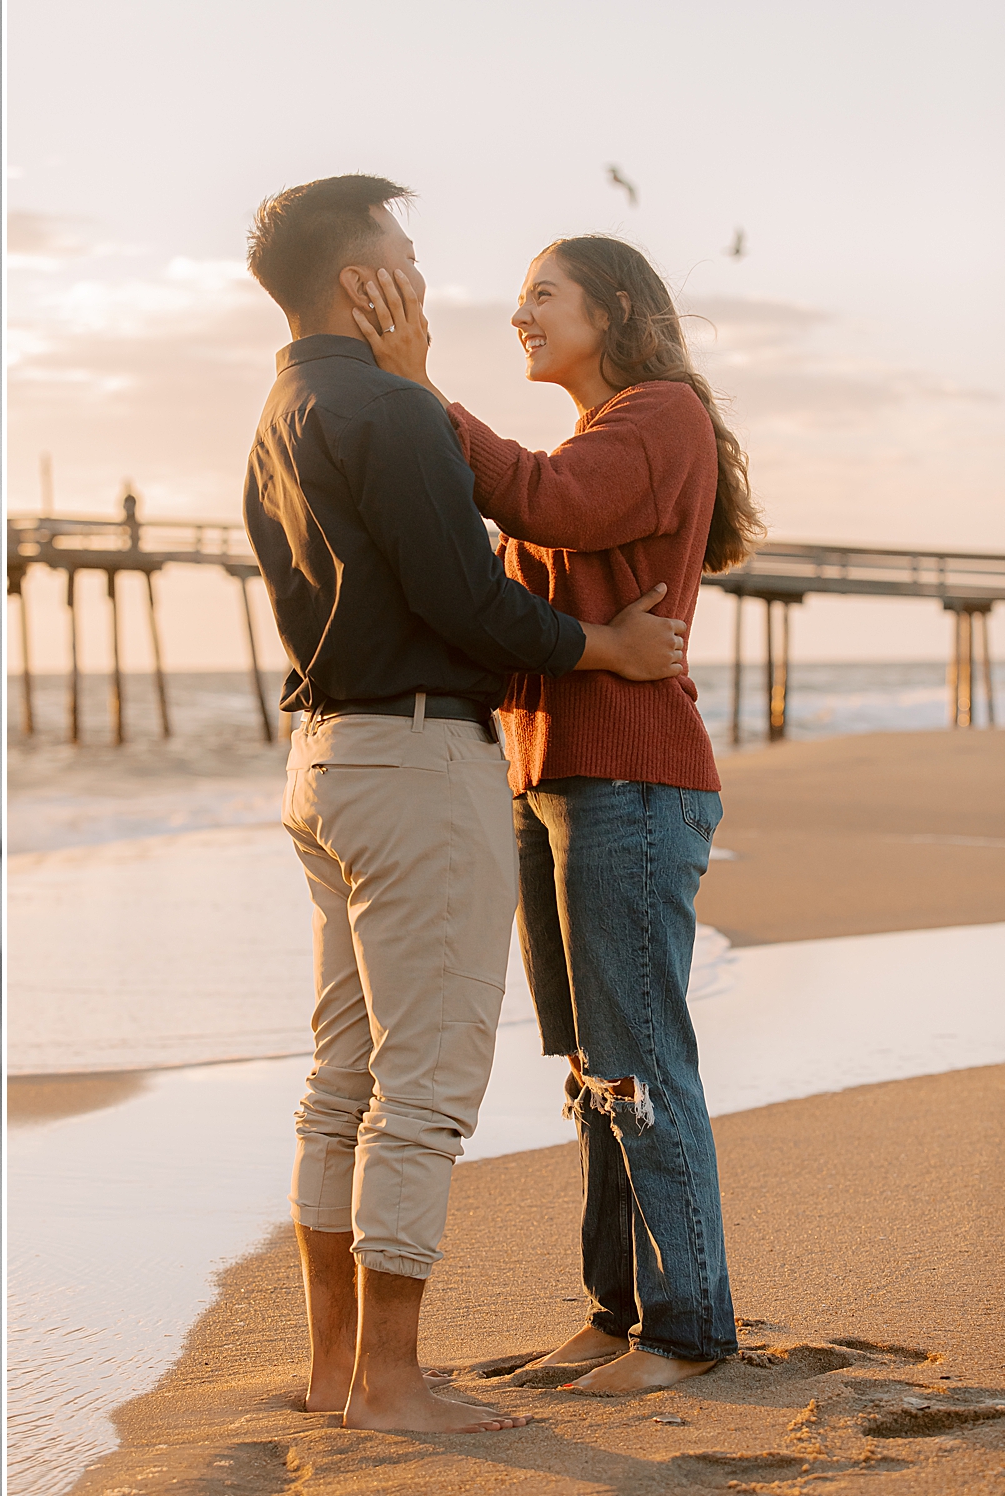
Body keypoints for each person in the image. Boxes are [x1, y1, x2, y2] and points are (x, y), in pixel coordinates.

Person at [241, 176, 692, 1433]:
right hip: (416, 759)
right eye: (402, 244)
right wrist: (600, 647)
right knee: (426, 1084)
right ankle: (388, 1381)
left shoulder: (283, 405)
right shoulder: (386, 406)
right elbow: (469, 602)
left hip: (322, 763)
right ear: (359, 277)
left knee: (340, 1077)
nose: (422, 263)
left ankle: (338, 1368)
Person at [350, 233, 763, 1395]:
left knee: (637, 1057)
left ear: (615, 308)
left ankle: (687, 1329)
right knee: (590, 1064)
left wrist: (419, 386)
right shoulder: (600, 436)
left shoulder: (659, 413)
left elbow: (545, 499)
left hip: (628, 777)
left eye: (543, 293)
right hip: (555, 776)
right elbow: (521, 566)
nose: (519, 311)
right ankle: (613, 1308)